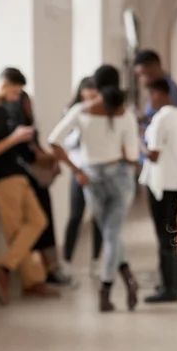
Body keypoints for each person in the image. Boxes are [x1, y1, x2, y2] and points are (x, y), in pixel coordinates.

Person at [48, 65, 140, 313]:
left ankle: (110, 290)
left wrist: (76, 170)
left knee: (110, 233)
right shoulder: (125, 112)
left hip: (89, 178)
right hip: (119, 176)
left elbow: (53, 140)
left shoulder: (80, 110)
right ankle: (118, 286)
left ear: (96, 86)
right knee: (112, 235)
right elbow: (132, 154)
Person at [0, 69, 60, 304]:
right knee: (17, 231)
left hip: (17, 174)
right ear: (5, 85)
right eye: (16, 91)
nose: (18, 97)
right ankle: (31, 282)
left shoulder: (3, 109)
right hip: (1, 178)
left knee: (38, 221)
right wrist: (14, 139)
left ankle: (5, 268)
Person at [0, 68, 71, 286]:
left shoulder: (21, 112)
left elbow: (34, 146)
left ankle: (42, 272)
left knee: (41, 223)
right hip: (20, 177)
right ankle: (29, 273)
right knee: (37, 225)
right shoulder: (6, 112)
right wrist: (49, 159)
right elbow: (27, 152)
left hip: (27, 177)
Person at [139, 78, 177, 303]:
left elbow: (154, 154)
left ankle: (167, 288)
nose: (150, 101)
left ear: (157, 94)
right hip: (174, 180)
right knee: (171, 233)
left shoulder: (160, 119)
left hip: (159, 183)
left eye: (150, 96)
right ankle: (175, 282)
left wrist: (137, 142)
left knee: (163, 236)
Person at [60, 77, 103, 276]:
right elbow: (64, 143)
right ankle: (67, 260)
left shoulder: (101, 113)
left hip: (96, 170)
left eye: (95, 91)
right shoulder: (73, 112)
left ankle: (96, 260)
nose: (91, 95)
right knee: (75, 216)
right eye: (89, 91)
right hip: (78, 170)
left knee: (98, 218)